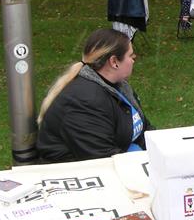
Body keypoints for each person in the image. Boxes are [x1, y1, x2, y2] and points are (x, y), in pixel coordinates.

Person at [37, 29, 152, 163]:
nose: (134, 58)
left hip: (126, 160)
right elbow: (102, 158)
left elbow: (146, 130)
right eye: (130, 55)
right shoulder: (85, 101)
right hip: (78, 173)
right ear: (114, 62)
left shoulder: (119, 86)